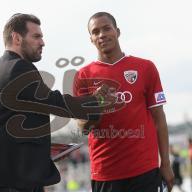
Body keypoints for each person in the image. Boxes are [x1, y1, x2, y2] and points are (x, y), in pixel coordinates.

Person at [0, 13, 117, 192]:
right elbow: (56, 103)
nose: (42, 42)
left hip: (8, 180)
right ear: (16, 38)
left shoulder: (5, 67)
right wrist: (98, 100)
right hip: (5, 182)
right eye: (36, 36)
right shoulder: (17, 68)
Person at [73, 12, 174, 192]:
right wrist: (97, 105)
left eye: (106, 28)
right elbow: (83, 128)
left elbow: (159, 118)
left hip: (145, 171)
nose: (102, 34)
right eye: (96, 32)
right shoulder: (83, 76)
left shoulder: (145, 67)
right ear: (91, 39)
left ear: (117, 31)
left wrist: (165, 163)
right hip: (106, 173)